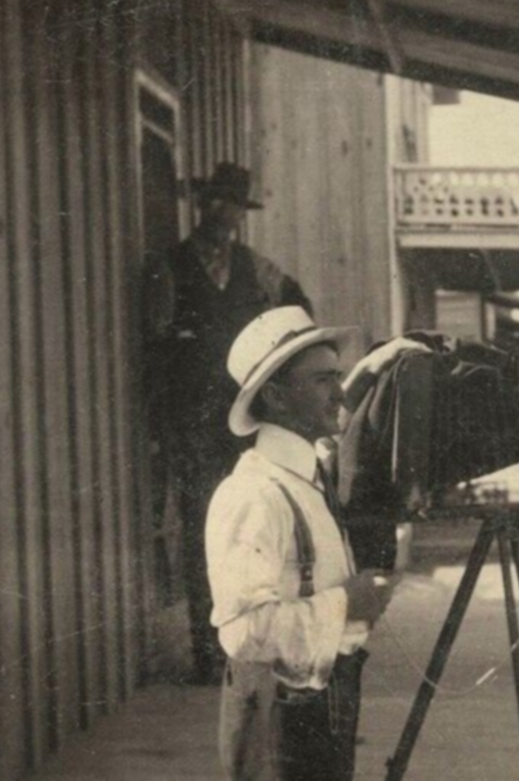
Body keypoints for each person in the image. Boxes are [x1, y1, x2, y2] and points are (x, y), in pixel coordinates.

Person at [207, 306, 397, 781]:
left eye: (338, 377)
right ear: (275, 396)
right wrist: (346, 604)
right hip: (278, 721)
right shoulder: (254, 493)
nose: (339, 393)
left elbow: (338, 420)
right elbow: (242, 632)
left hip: (318, 707)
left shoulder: (306, 474)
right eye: (323, 381)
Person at [153, 163, 312, 685]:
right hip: (194, 423)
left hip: (244, 422)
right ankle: (208, 652)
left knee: (254, 527)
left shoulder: (256, 269)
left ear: (243, 214)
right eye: (216, 201)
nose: (224, 212)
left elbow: (298, 309)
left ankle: (250, 647)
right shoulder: (170, 266)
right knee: (204, 529)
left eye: (234, 204)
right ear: (202, 205)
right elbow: (154, 344)